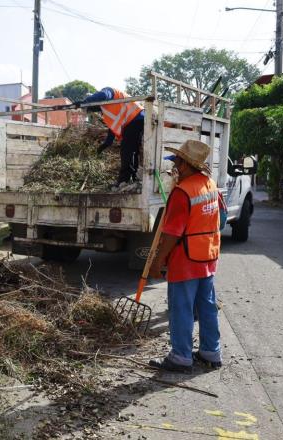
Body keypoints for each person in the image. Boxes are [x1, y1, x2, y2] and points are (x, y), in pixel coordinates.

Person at [148, 140, 223, 373]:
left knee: (181, 308)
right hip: (207, 256)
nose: (175, 165)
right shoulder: (210, 184)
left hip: (185, 260)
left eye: (178, 161)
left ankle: (181, 357)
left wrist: (157, 261)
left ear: (187, 164)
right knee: (207, 306)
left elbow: (171, 234)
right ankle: (211, 352)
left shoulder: (183, 192)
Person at [76, 87, 144, 187]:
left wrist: (85, 102)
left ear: (94, 100)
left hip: (136, 118)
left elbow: (102, 95)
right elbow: (113, 127)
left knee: (127, 150)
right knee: (131, 150)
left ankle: (124, 181)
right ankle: (132, 179)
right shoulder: (106, 109)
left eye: (91, 107)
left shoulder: (107, 92)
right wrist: (106, 144)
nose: (93, 110)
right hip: (135, 120)